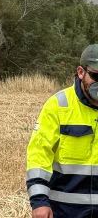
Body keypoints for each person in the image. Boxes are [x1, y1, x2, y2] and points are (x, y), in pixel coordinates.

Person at [27, 44, 98, 217]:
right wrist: (39, 202)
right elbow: (39, 154)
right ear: (81, 72)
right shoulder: (58, 105)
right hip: (64, 210)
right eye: (96, 76)